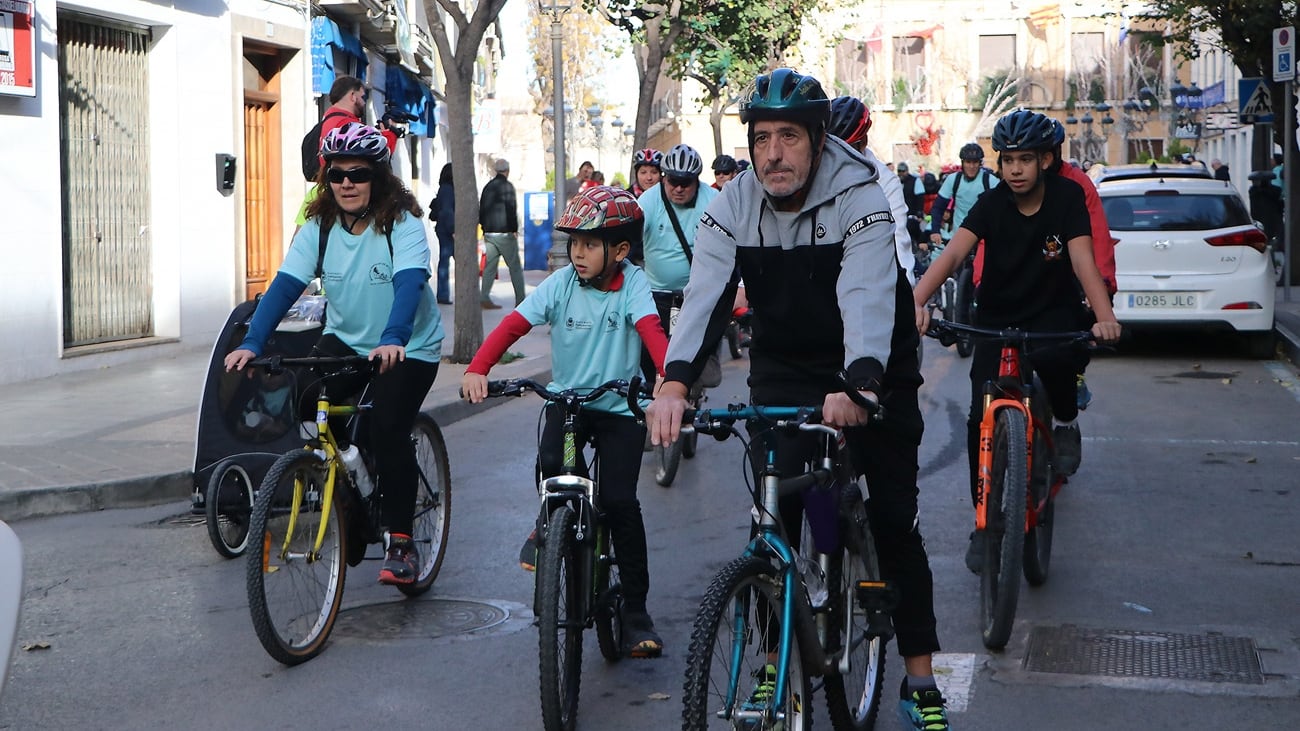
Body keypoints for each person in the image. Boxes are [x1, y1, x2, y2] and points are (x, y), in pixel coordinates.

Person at [644, 68, 951, 731]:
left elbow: (869, 292)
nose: (774, 153)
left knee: (893, 519)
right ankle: (770, 664)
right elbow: (705, 299)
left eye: (789, 136)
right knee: (772, 518)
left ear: (817, 139)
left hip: (871, 364)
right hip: (785, 363)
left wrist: (861, 382)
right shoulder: (732, 204)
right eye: (762, 138)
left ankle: (921, 678)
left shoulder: (858, 192)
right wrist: (673, 382)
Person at [225, 123, 443, 586]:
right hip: (347, 338)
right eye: (338, 174)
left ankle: (401, 540)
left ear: (378, 177)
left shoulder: (402, 225)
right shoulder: (319, 229)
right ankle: (351, 481)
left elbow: (409, 284)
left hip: (409, 344)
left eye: (358, 174)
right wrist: (252, 342)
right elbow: (285, 286)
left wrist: (395, 337)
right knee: (304, 400)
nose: (347, 183)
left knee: (388, 425)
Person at [460, 185, 670, 658]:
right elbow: (514, 324)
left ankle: (636, 611)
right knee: (553, 461)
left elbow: (651, 332)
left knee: (619, 502)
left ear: (619, 250)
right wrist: (478, 368)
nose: (578, 253)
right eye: (573, 243)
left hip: (619, 407)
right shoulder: (561, 284)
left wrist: (666, 383)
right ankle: (549, 525)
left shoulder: (633, 283)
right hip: (571, 403)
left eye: (589, 244)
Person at [910, 109, 1121, 574]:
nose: (1016, 170)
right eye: (1007, 161)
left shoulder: (1067, 197)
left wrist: (1104, 317)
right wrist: (916, 302)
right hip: (998, 314)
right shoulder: (990, 204)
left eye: (1026, 159)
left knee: (1062, 367)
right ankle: (984, 524)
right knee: (976, 418)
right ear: (998, 165)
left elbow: (1084, 262)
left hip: (1053, 311)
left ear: (1045, 160)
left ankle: (1064, 423)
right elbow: (952, 255)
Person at [828, 95, 917, 284]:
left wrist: (908, 298)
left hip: (865, 278)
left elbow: (898, 242)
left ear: (863, 142)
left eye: (847, 151)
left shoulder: (886, 182)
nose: (838, 161)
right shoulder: (813, 174)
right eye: (831, 152)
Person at [927, 143, 999, 257]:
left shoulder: (991, 181)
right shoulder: (953, 180)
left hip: (983, 239)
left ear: (980, 163)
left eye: (975, 162)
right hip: (959, 236)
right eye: (968, 162)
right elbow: (938, 207)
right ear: (962, 163)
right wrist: (935, 230)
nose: (971, 166)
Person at [479, 157, 525, 309]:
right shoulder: (507, 187)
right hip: (504, 233)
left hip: (490, 233)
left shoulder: (488, 187)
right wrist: (514, 229)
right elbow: (511, 208)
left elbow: (481, 209)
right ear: (507, 171)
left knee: (490, 266)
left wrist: (484, 227)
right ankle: (521, 299)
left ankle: (484, 297)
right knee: (515, 267)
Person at [429, 163, 455, 304]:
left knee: (445, 261)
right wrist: (453, 230)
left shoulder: (444, 188)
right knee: (445, 261)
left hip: (444, 228)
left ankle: (443, 294)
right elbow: (447, 211)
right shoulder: (448, 189)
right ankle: (443, 294)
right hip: (448, 230)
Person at [897, 161, 926, 245]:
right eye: (899, 171)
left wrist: (919, 213)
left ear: (907, 171)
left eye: (903, 171)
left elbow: (920, 198)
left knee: (914, 234)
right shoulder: (896, 181)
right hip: (900, 215)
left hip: (912, 215)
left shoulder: (915, 181)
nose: (901, 173)